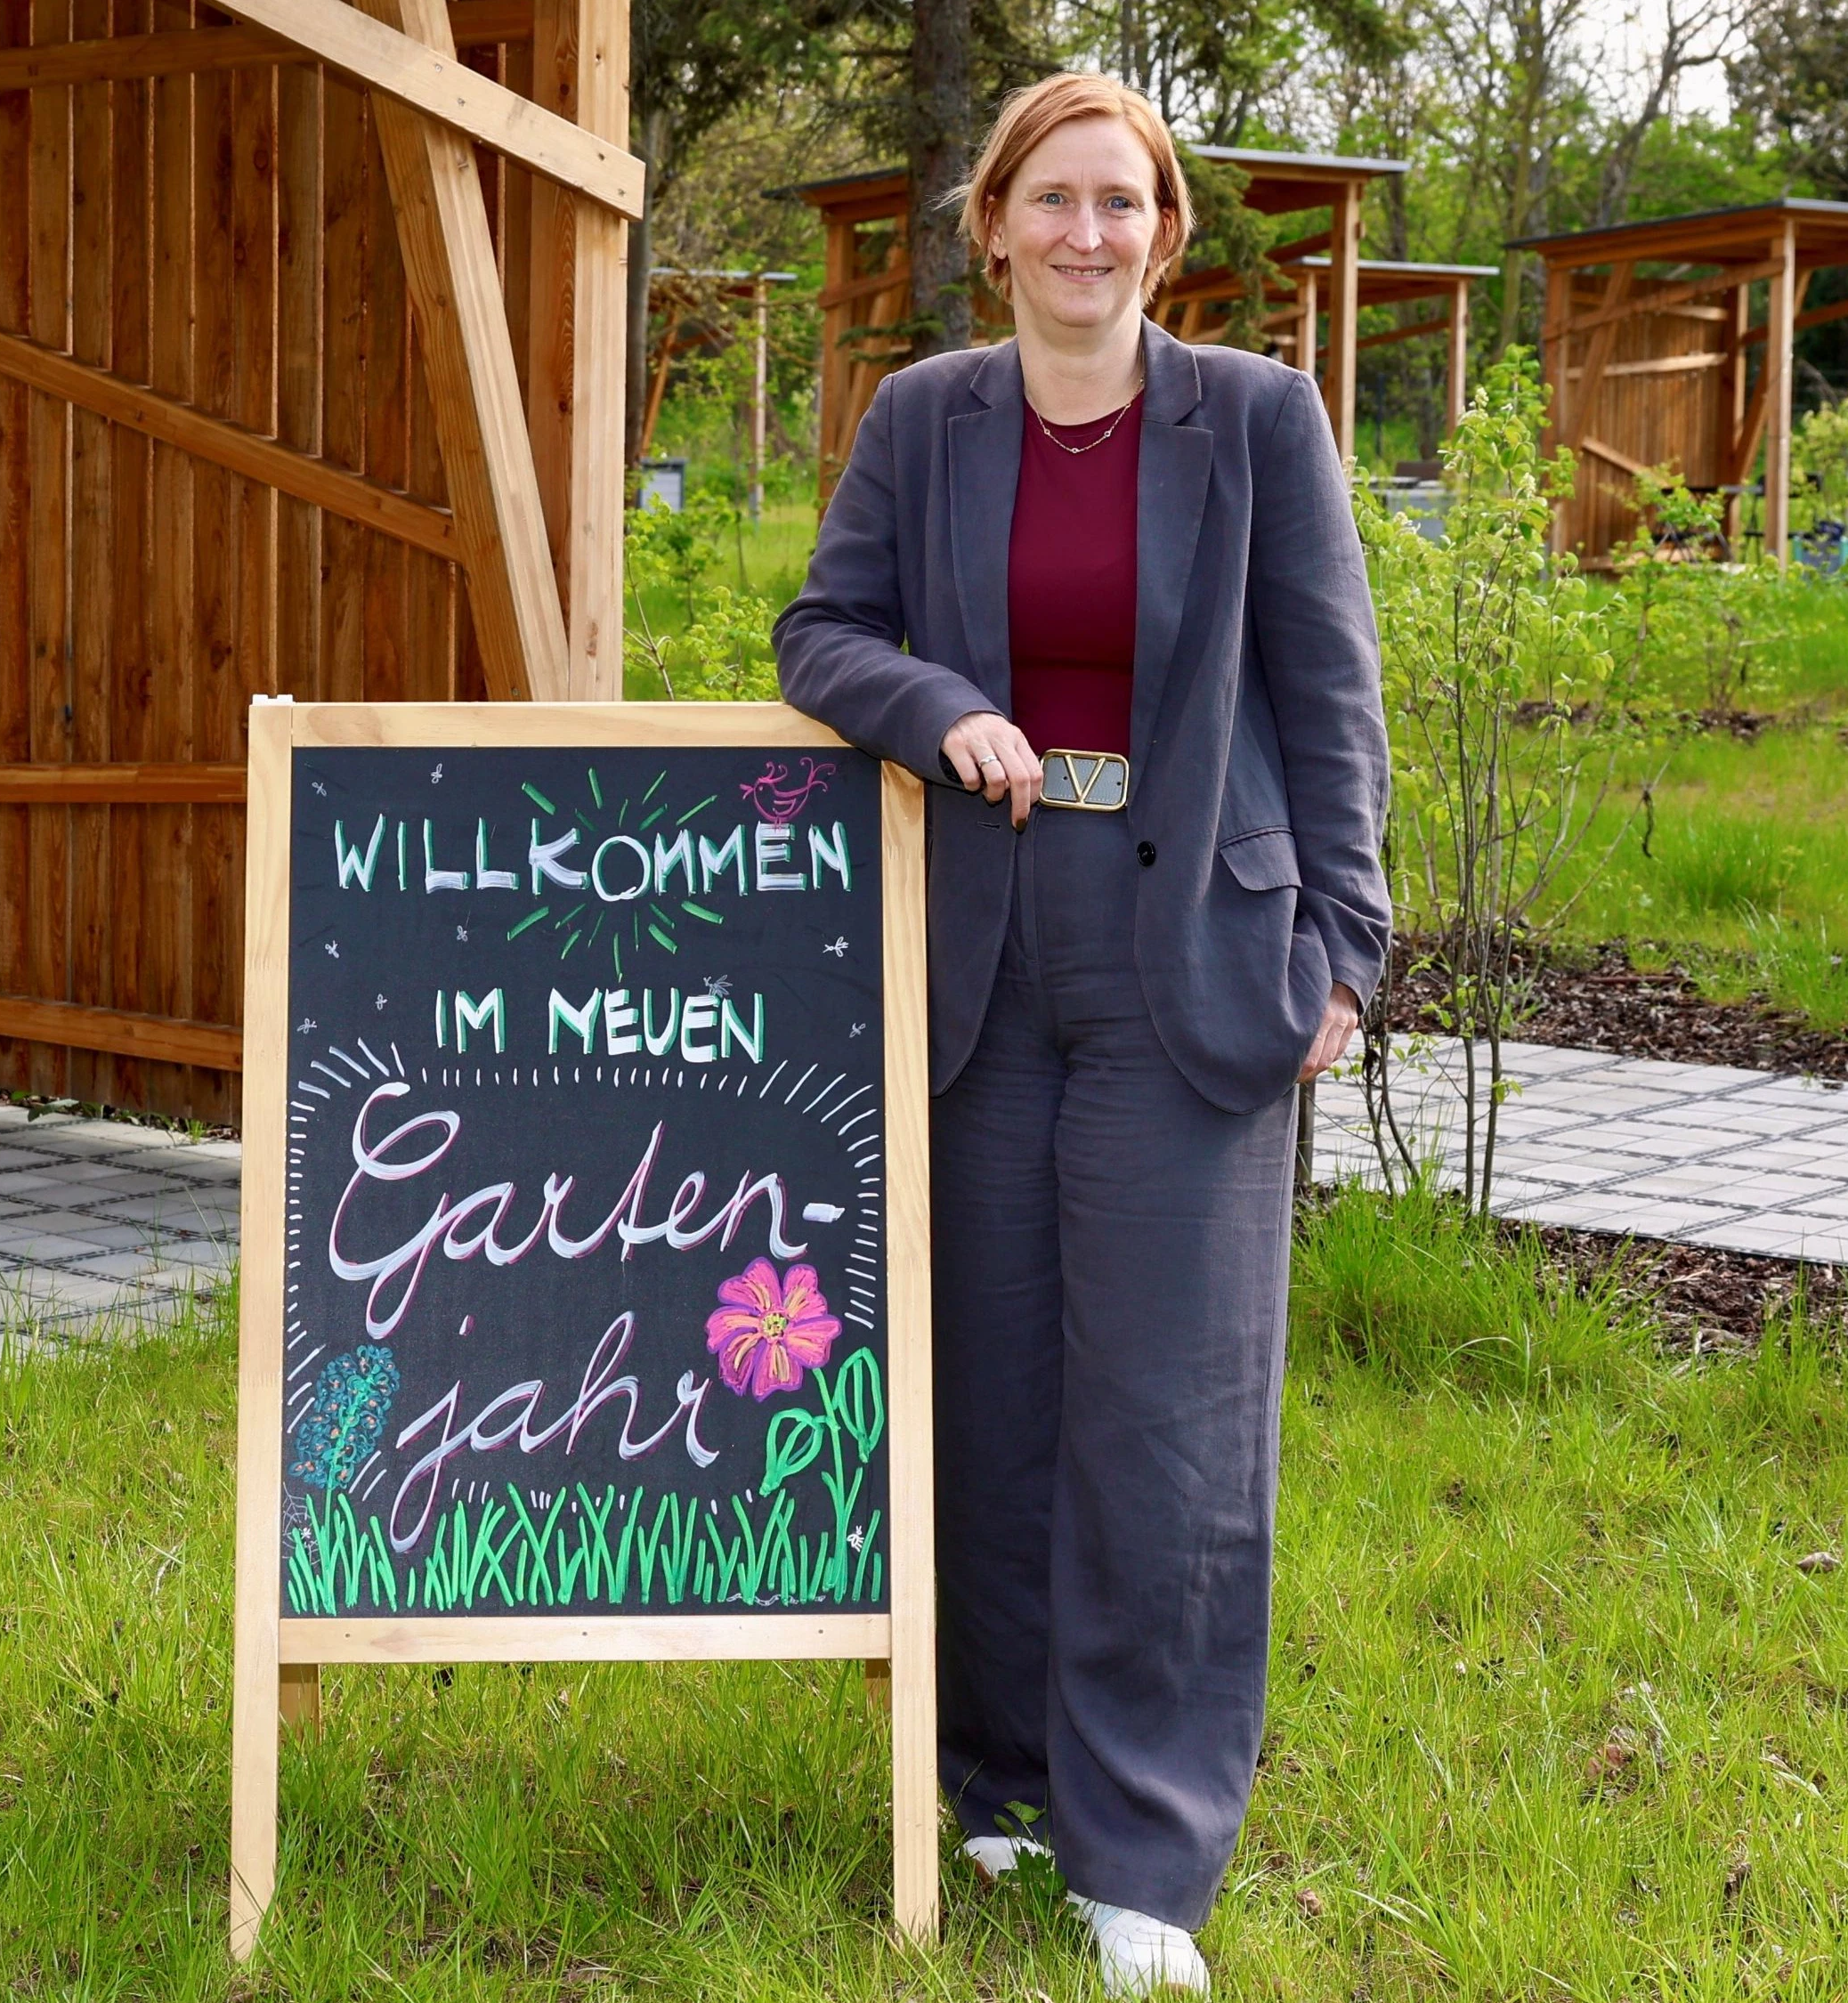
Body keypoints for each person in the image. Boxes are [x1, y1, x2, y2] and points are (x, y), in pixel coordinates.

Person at [773, 71, 1386, 2001]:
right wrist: (933, 700)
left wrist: (1350, 957)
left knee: (1164, 1418)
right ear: (992, 222)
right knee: (987, 1390)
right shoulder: (923, 420)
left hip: (1193, 952)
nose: (1086, 235)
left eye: (1120, 202)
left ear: (1165, 234)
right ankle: (994, 1777)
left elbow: (1327, 685)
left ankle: (1144, 1852)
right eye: (1052, 200)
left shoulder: (1258, 422)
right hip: (974, 955)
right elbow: (817, 634)